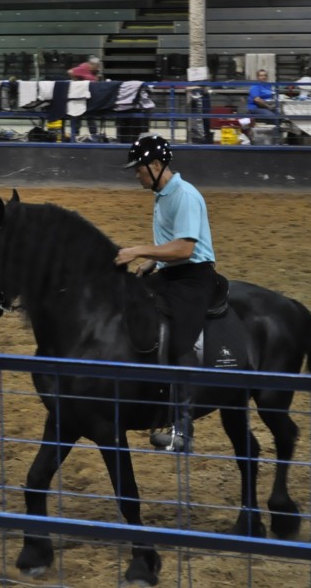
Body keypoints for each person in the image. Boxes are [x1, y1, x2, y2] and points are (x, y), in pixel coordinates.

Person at [114, 134, 218, 453]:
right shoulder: (163, 194)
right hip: (171, 273)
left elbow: (186, 248)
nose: (137, 174)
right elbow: (171, 245)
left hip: (194, 278)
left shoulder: (184, 196)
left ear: (156, 165)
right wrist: (152, 263)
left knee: (180, 336)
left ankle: (182, 429)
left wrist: (139, 251)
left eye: (139, 168)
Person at [68, 55, 102, 141]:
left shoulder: (94, 71)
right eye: (96, 67)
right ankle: (75, 134)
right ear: (91, 64)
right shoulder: (84, 67)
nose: (97, 68)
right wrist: (77, 82)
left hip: (90, 96)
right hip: (81, 96)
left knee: (90, 116)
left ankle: (93, 135)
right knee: (79, 115)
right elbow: (70, 71)